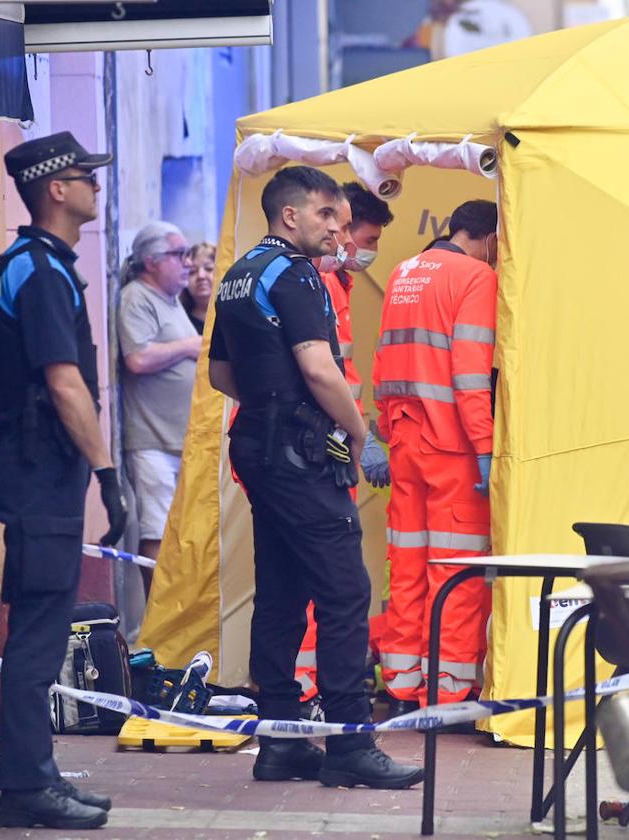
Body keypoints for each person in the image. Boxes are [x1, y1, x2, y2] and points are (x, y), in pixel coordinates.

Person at [207, 164, 423, 789]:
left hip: (258, 447)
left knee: (279, 591)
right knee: (344, 592)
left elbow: (222, 376)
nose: (340, 228)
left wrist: (271, 400)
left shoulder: (241, 273)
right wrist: (356, 432)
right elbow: (321, 368)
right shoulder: (297, 274)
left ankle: (280, 741)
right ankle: (352, 745)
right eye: (327, 216)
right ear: (291, 216)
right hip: (303, 452)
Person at [0, 131, 127, 829]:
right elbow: (64, 384)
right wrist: (107, 472)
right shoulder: (36, 270)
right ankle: (25, 789)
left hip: (41, 470)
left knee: (43, 624)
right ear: (55, 189)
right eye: (84, 177)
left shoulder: (44, 266)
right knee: (38, 633)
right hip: (42, 470)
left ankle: (34, 776)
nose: (96, 186)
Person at [373, 199, 498, 715]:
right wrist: (487, 448)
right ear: (490, 238)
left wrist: (386, 430)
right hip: (454, 449)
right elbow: (471, 376)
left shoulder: (405, 272)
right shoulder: (475, 278)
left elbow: (385, 360)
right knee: (456, 571)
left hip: (404, 441)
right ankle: (447, 691)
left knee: (407, 566)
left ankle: (402, 684)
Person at [293, 182, 395, 711]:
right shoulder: (317, 283)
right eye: (366, 237)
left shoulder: (332, 284)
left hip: (326, 445)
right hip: (320, 448)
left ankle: (309, 686)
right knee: (328, 577)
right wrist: (360, 436)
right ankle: (312, 689)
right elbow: (324, 374)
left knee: (319, 576)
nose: (367, 249)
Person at [116, 222, 201, 595]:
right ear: (151, 261)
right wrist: (188, 346)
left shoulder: (169, 300)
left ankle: (176, 613)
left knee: (178, 532)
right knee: (157, 530)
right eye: (179, 254)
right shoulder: (137, 297)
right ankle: (158, 616)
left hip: (177, 439)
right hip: (152, 442)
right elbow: (137, 358)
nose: (188, 262)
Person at [181, 241, 216, 333]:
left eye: (209, 269)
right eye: (192, 271)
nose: (201, 276)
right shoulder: (179, 321)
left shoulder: (233, 318)